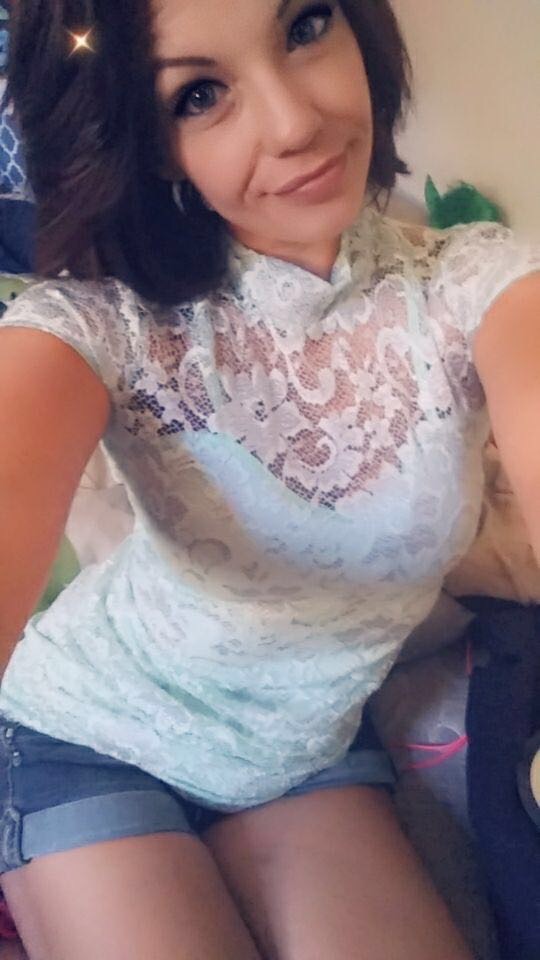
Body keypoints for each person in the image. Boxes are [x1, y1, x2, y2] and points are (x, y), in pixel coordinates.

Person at [0, 0, 538, 957]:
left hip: (303, 751)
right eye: (199, 95)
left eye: (304, 27)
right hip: (82, 734)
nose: (294, 123)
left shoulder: (477, 282)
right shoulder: (101, 324)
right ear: (154, 145)